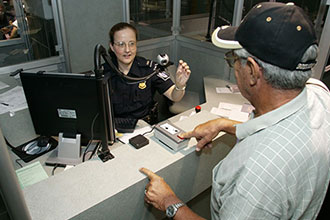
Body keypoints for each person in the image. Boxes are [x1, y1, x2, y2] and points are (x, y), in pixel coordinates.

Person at [140, 2, 330, 219]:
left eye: (233, 60)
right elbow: (280, 128)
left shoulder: (256, 177)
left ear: (251, 71)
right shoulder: (320, 93)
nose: (234, 67)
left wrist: (170, 203)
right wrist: (225, 124)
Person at [104, 22, 191, 124]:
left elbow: (174, 96)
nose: (127, 50)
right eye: (121, 44)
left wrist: (180, 86)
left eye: (131, 43)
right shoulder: (103, 72)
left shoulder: (149, 68)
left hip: (144, 127)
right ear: (112, 47)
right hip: (115, 128)